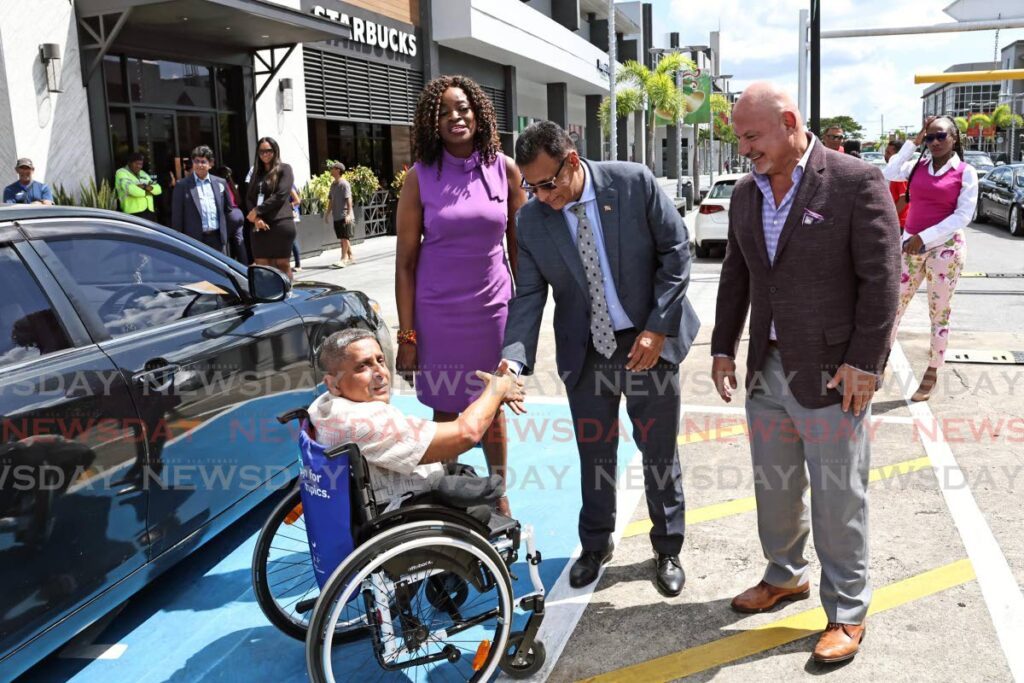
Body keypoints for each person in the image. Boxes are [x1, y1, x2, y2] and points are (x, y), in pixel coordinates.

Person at [711, 82, 900, 664]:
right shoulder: (746, 193)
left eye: (752, 136)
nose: (744, 149)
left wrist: (865, 362)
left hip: (832, 371)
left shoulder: (853, 181)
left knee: (838, 496)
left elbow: (883, 278)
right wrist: (723, 348)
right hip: (768, 370)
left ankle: (846, 609)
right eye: (738, 138)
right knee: (775, 487)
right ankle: (784, 575)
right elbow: (737, 275)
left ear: (789, 122)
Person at [501, 120, 699, 596]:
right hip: (585, 351)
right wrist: (512, 361)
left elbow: (677, 252)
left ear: (572, 162)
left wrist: (656, 327)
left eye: (548, 184)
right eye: (530, 186)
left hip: (647, 343)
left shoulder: (632, 183)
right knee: (595, 454)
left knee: (658, 452)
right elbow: (527, 294)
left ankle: (667, 547)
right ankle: (595, 545)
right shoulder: (531, 220)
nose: (542, 196)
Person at [395, 75, 526, 516]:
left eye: (465, 107)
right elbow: (405, 264)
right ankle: (450, 496)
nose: (457, 117)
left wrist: (525, 316)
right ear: (432, 121)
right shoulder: (419, 178)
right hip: (437, 316)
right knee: (446, 407)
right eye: (446, 110)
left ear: (479, 113)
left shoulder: (504, 169)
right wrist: (407, 337)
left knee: (492, 405)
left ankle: (499, 493)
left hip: (492, 310)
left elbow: (520, 247)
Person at [309, 328, 521, 507]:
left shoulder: (322, 407)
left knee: (462, 474)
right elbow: (466, 433)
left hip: (372, 494)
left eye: (380, 360)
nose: (379, 372)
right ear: (333, 384)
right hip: (403, 507)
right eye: (362, 366)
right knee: (486, 492)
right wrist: (496, 389)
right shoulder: (367, 421)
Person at [883, 115, 977, 402]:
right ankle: (878, 362)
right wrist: (914, 140)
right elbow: (890, 171)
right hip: (910, 246)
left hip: (944, 248)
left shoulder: (965, 172)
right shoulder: (917, 167)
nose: (935, 142)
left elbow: (963, 216)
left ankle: (933, 369)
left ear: (954, 138)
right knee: (891, 308)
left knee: (939, 311)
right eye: (930, 137)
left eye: (941, 136)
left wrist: (923, 238)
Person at [244, 137, 296, 280]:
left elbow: (281, 195)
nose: (265, 154)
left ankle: (287, 296)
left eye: (268, 151)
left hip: (280, 223)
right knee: (262, 266)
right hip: (259, 225)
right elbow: (249, 198)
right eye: (261, 151)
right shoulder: (255, 173)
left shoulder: (285, 169)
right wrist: (257, 218)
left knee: (282, 264)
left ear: (275, 151)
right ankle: (269, 298)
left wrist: (257, 211)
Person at [170, 145, 230, 253]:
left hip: (217, 239)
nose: (199, 165)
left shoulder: (220, 183)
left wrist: (225, 235)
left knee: (219, 270)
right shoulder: (182, 185)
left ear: (210, 164)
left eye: (203, 162)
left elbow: (227, 210)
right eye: (196, 161)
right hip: (195, 241)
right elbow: (177, 218)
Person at [214, 164, 249, 264]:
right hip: (238, 213)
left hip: (228, 214)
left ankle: (226, 266)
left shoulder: (219, 185)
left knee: (223, 241)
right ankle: (245, 267)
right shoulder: (233, 185)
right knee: (239, 242)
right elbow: (239, 201)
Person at [115, 152, 162, 222]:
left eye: (141, 164)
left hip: (149, 212)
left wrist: (144, 186)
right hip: (133, 213)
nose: (139, 166)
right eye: (136, 163)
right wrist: (149, 191)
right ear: (129, 163)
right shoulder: (121, 173)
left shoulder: (143, 173)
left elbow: (158, 189)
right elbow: (131, 190)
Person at [326, 162, 355, 268]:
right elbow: (330, 200)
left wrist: (348, 214)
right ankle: (351, 256)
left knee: (344, 238)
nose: (331, 170)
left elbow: (349, 199)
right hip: (336, 215)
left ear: (338, 170)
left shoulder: (344, 184)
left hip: (344, 215)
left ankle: (343, 259)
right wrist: (327, 213)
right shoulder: (333, 184)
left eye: (332, 168)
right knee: (343, 237)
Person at [884, 139, 910, 231]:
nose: (885, 155)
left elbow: (904, 199)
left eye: (888, 153)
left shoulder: (899, 173)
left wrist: (890, 217)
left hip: (900, 222)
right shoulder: (895, 172)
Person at [290, 186, 302, 272]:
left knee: (293, 240)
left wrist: (288, 206)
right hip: (290, 214)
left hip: (291, 215)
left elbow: (298, 200)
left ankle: (298, 265)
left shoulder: (289, 186)